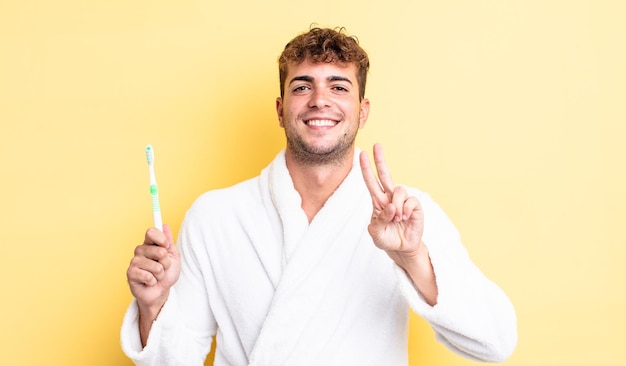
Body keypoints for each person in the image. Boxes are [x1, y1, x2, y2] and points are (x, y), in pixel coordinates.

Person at [122, 27, 517, 365]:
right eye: (302, 86)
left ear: (362, 112)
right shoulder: (215, 217)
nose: (319, 100)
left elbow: (495, 341)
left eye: (338, 86)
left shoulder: (409, 216)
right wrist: (152, 306)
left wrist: (413, 259)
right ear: (280, 109)